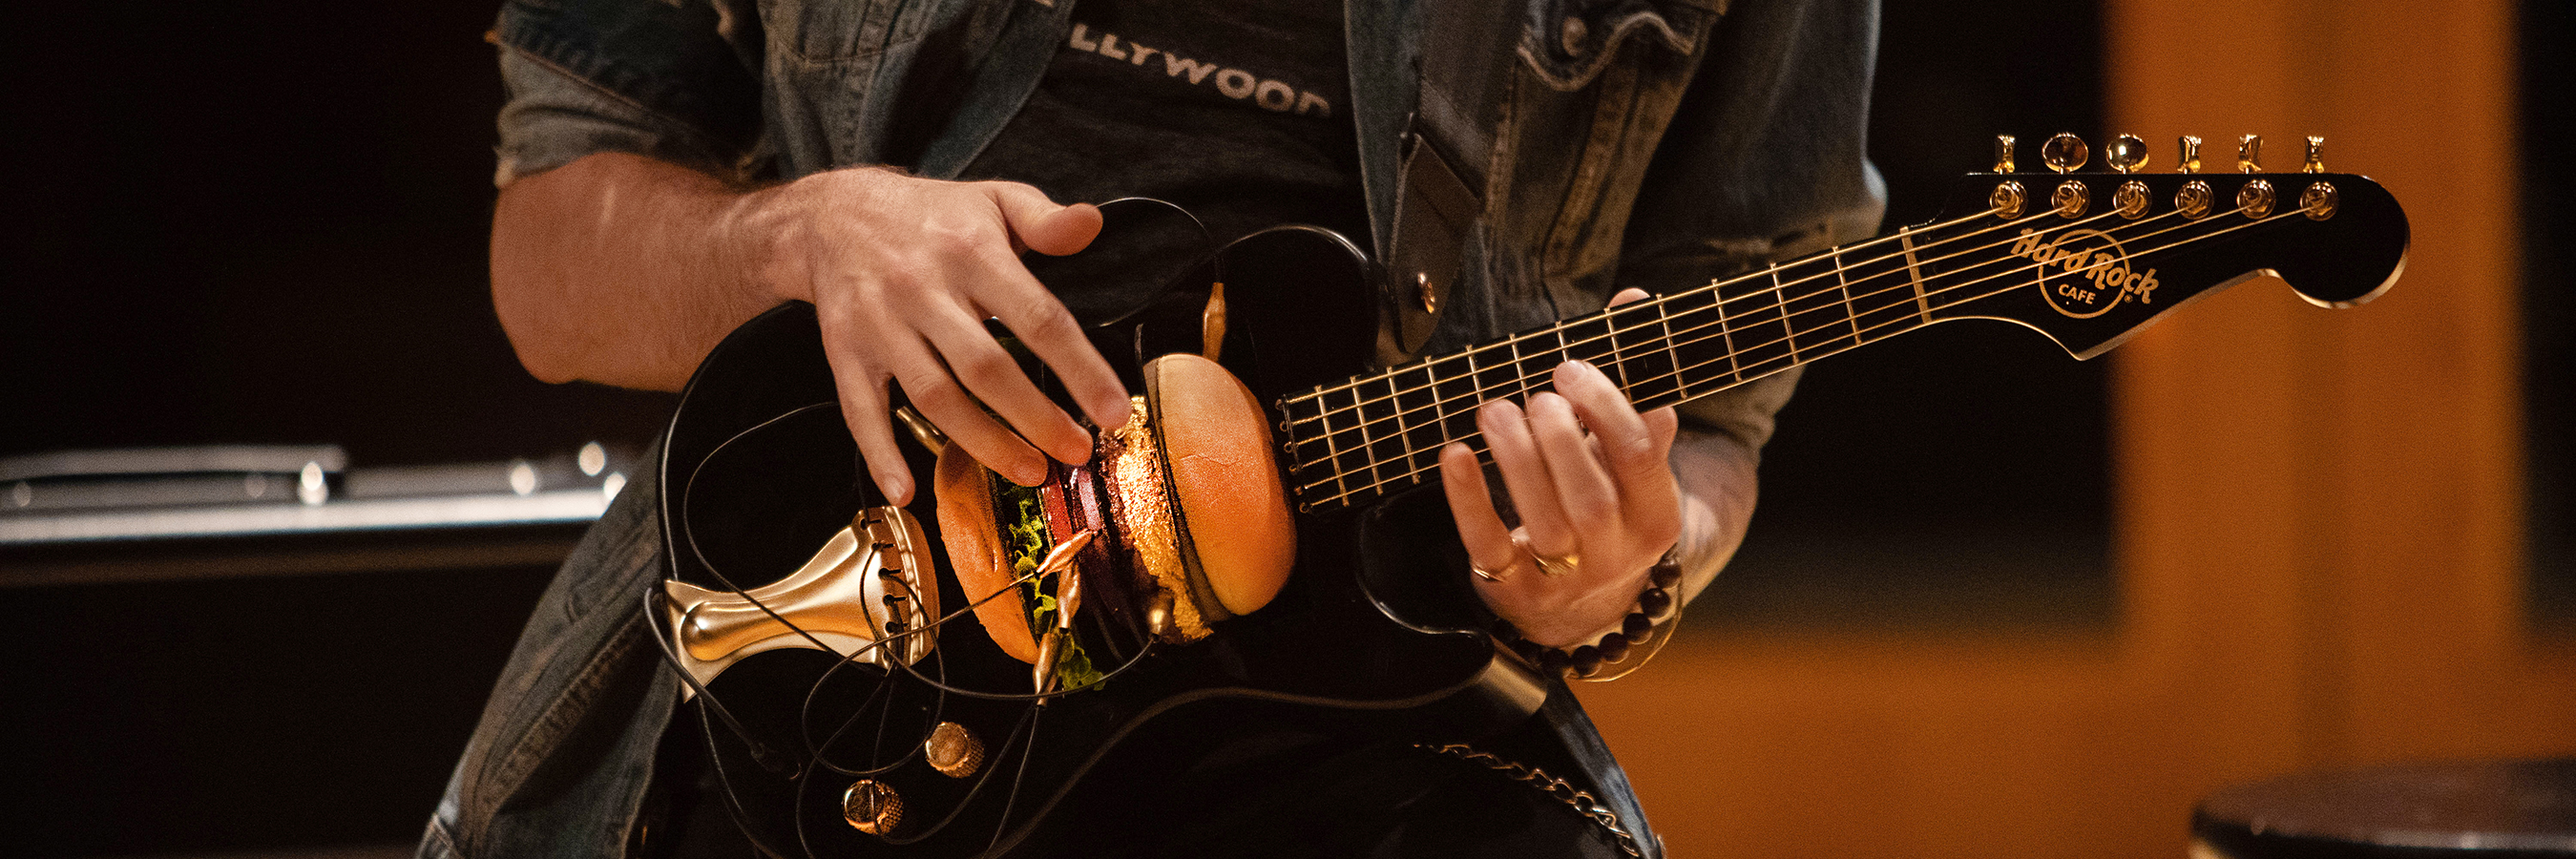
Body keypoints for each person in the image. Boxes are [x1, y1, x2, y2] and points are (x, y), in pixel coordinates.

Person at [424, 0, 1883, 855]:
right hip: (816, 679)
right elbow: (549, 267)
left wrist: (1624, 567)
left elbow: (1716, 426)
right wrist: (803, 237)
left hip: (1353, 723)